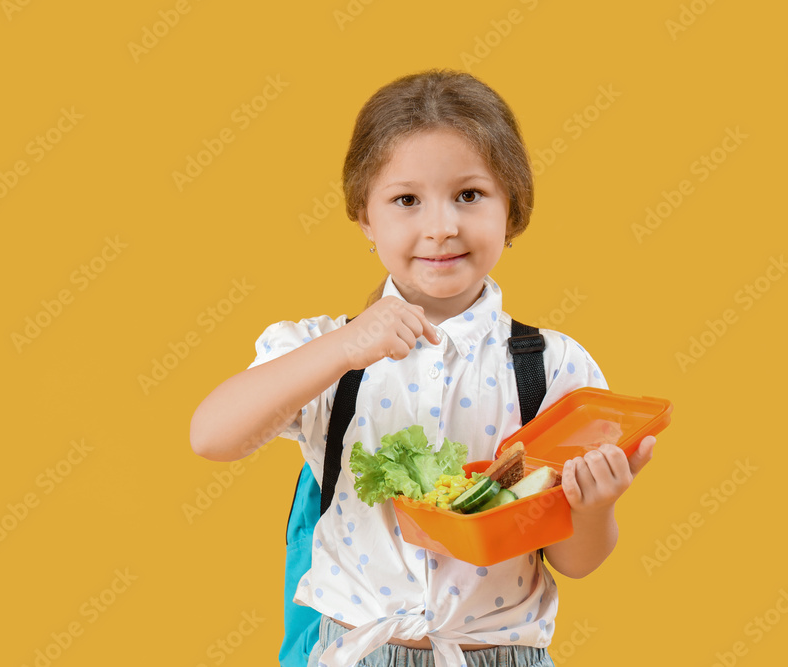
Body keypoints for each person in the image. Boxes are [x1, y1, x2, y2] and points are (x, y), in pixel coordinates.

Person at [189, 68, 655, 667]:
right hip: (360, 652)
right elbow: (211, 436)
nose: (442, 227)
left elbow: (576, 561)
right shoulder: (325, 352)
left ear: (511, 210)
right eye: (406, 200)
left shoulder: (553, 366)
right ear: (365, 218)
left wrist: (596, 506)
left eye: (470, 195)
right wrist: (345, 347)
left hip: (499, 655)